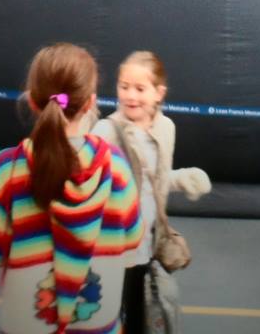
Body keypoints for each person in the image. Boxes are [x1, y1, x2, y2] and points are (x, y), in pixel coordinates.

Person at [0, 43, 143, 334]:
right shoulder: (116, 166)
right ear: (90, 102)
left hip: (24, 324)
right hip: (99, 323)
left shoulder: (8, 169)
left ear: (33, 101)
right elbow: (132, 243)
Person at [91, 51, 212, 334]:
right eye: (124, 87)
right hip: (110, 245)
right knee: (103, 314)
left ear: (159, 93)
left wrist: (181, 179)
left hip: (147, 243)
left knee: (138, 314)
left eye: (140, 88)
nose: (130, 95)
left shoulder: (166, 128)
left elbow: (154, 182)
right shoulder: (105, 132)